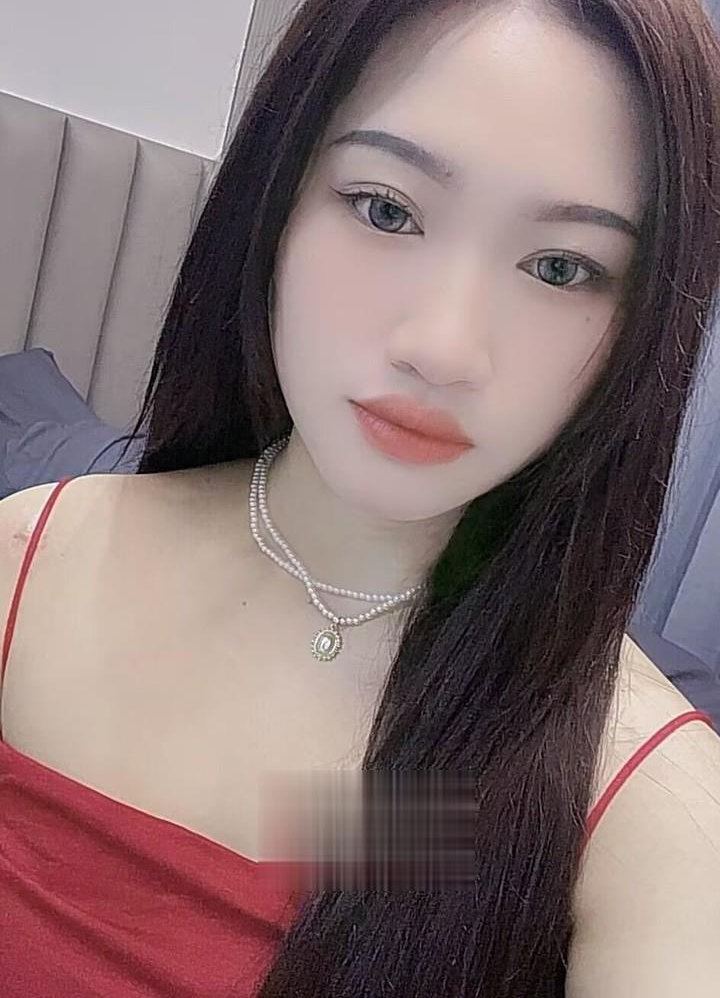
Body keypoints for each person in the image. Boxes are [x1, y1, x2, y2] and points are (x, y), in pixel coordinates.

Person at [1, 0, 720, 994]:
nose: (443, 347)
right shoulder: (27, 560)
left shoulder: (648, 800)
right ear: (275, 205)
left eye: (560, 267)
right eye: (386, 209)